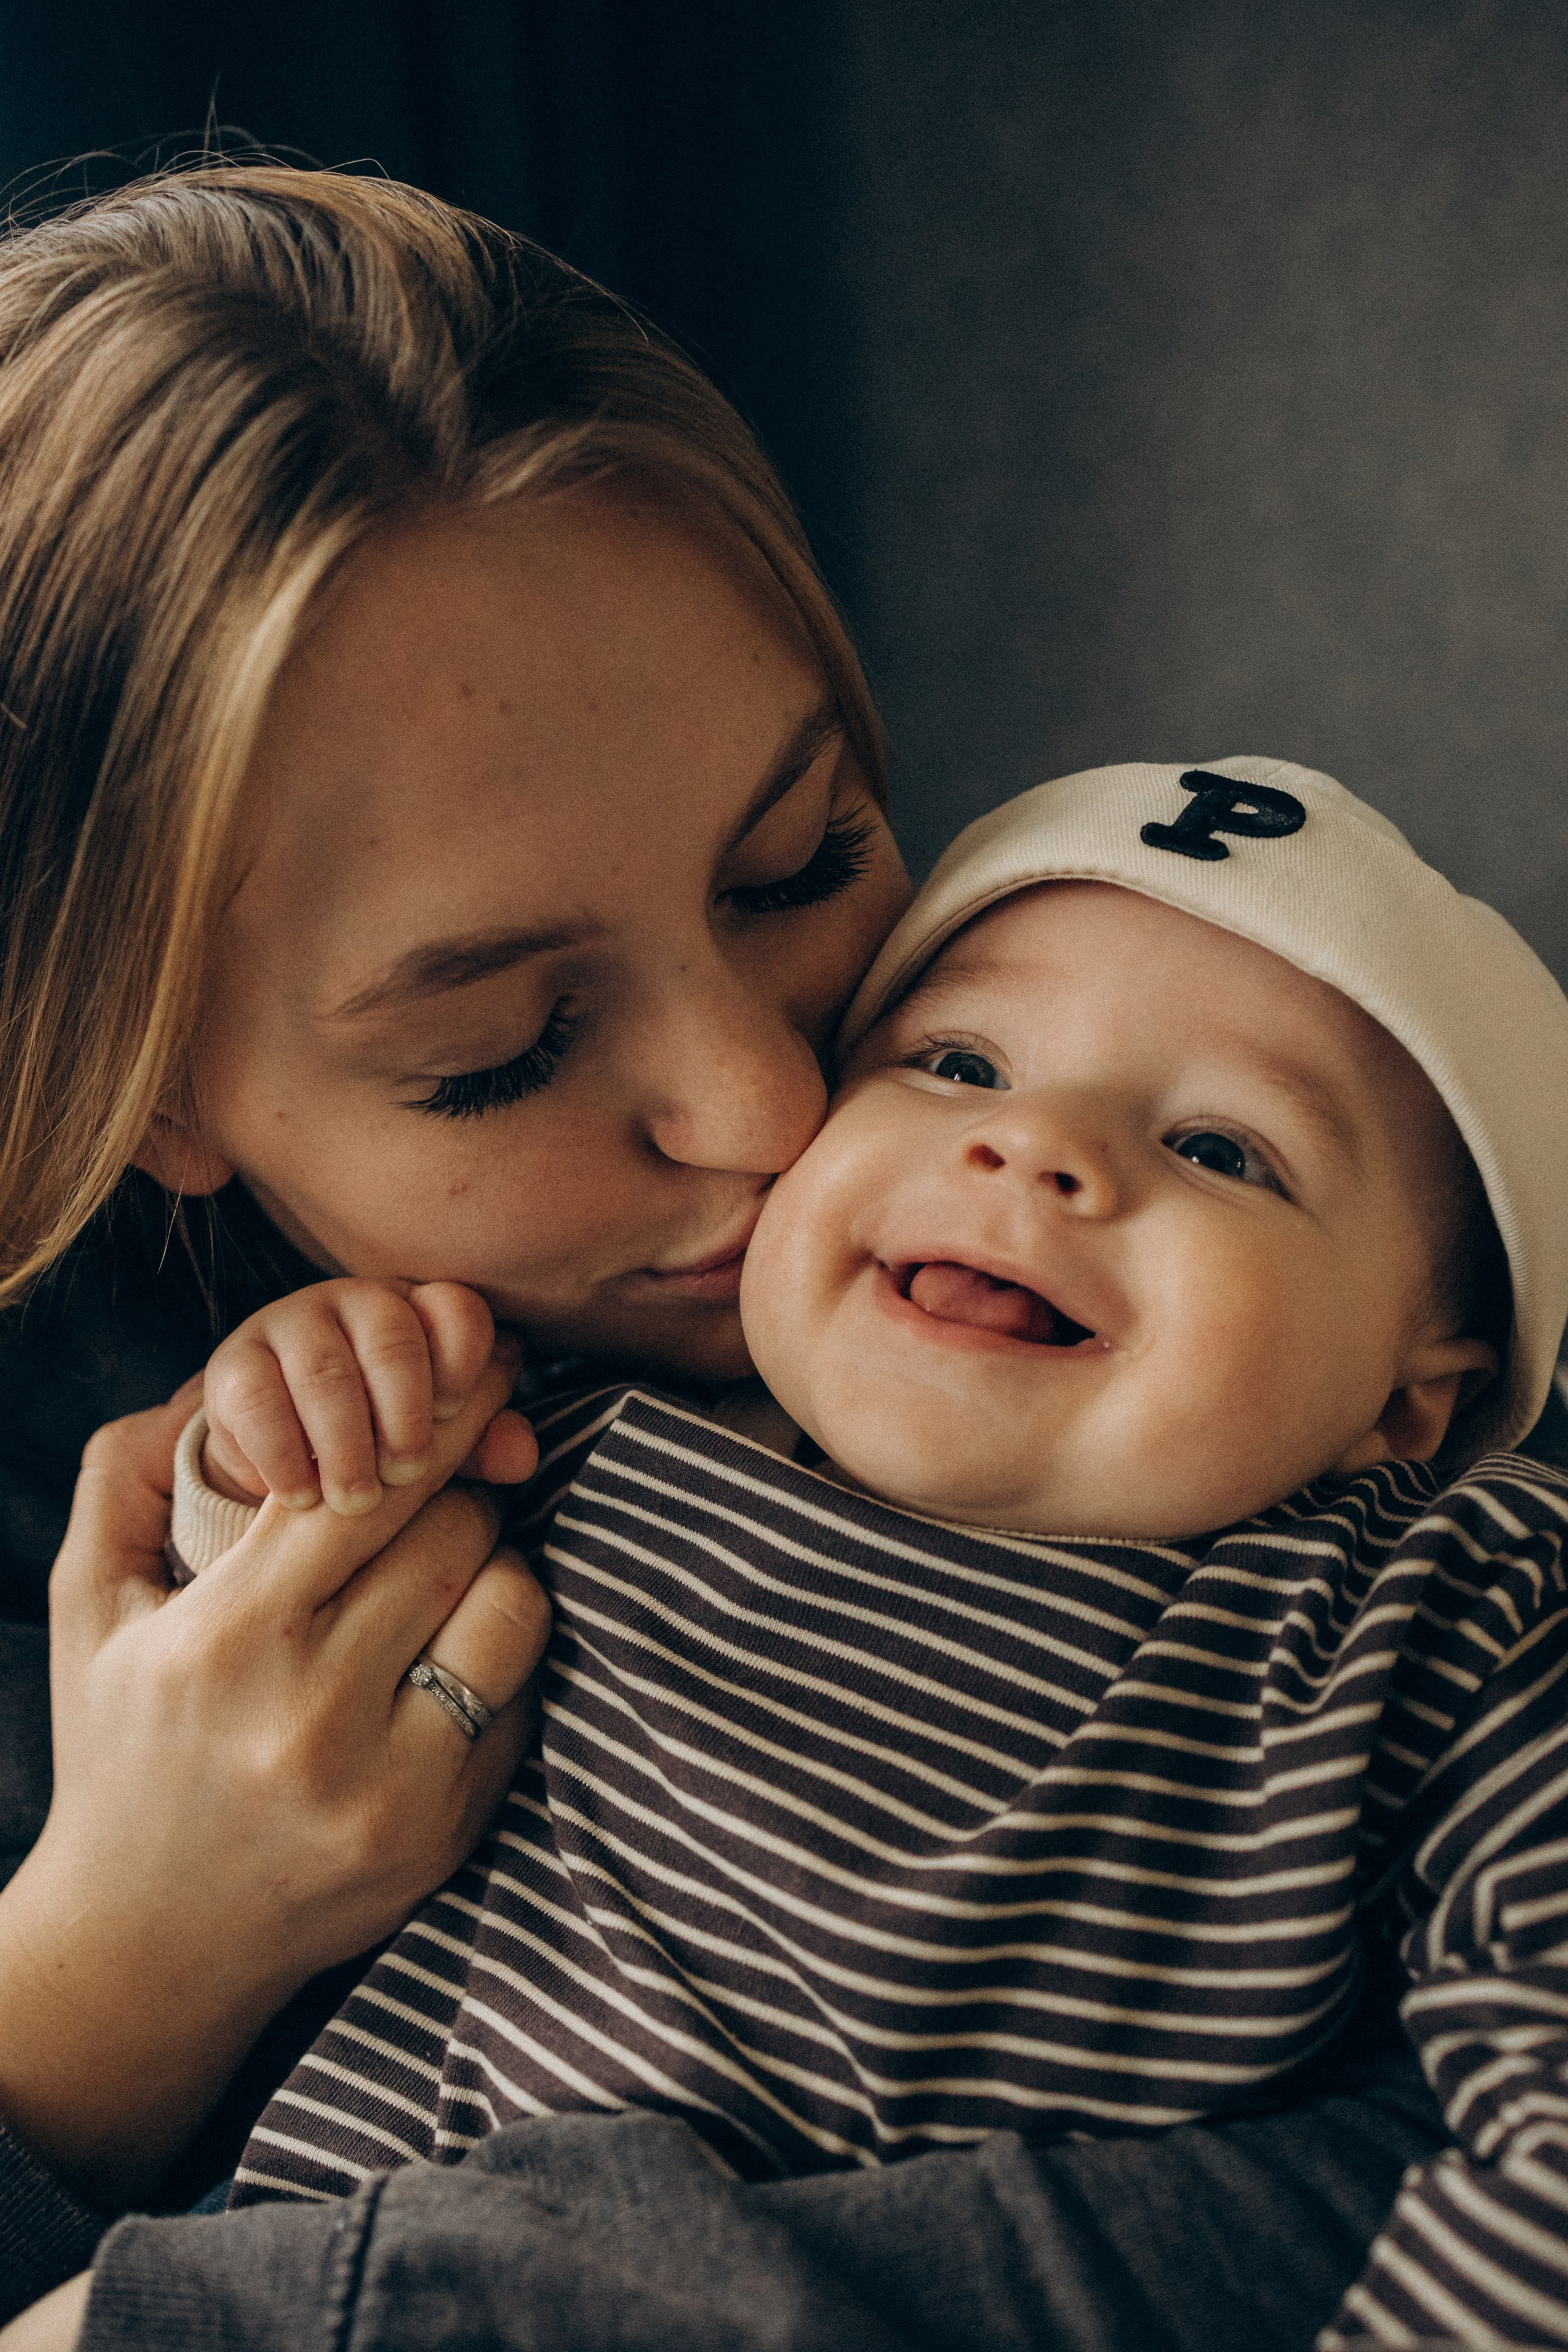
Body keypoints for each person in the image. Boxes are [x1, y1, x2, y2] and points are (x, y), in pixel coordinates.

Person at [0, 158, 1556, 2351]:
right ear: (143, 1089)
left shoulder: (1358, 1448)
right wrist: (107, 1966)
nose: (770, 1106)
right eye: (502, 1048)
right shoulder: (346, 1470)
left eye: (804, 858)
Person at [134, 758, 1568, 2346]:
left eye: (1223, 1151)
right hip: (335, 2272)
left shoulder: (1436, 1617)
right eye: (957, 1064)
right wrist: (293, 1423)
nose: (1036, 1152)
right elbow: (250, 1657)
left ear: (1416, 1396)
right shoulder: (583, 1429)